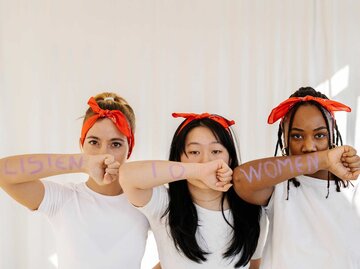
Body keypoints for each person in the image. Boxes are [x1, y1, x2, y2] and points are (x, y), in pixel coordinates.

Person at [0, 92, 152, 269]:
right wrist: (83, 162)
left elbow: (178, 253)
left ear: (130, 149)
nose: (105, 153)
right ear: (81, 144)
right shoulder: (62, 198)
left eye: (116, 144)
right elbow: (4, 172)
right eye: (94, 142)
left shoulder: (146, 202)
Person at [119, 112, 268, 269]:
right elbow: (127, 175)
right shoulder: (163, 204)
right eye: (194, 152)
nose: (206, 161)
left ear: (230, 158)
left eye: (216, 151)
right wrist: (198, 171)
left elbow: (254, 265)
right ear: (179, 159)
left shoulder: (253, 212)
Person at [232, 87, 360, 269]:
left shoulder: (353, 184)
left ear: (332, 134)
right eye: (297, 136)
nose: (309, 146)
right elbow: (240, 179)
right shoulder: (279, 183)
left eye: (320, 135)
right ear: (284, 139)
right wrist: (324, 159)